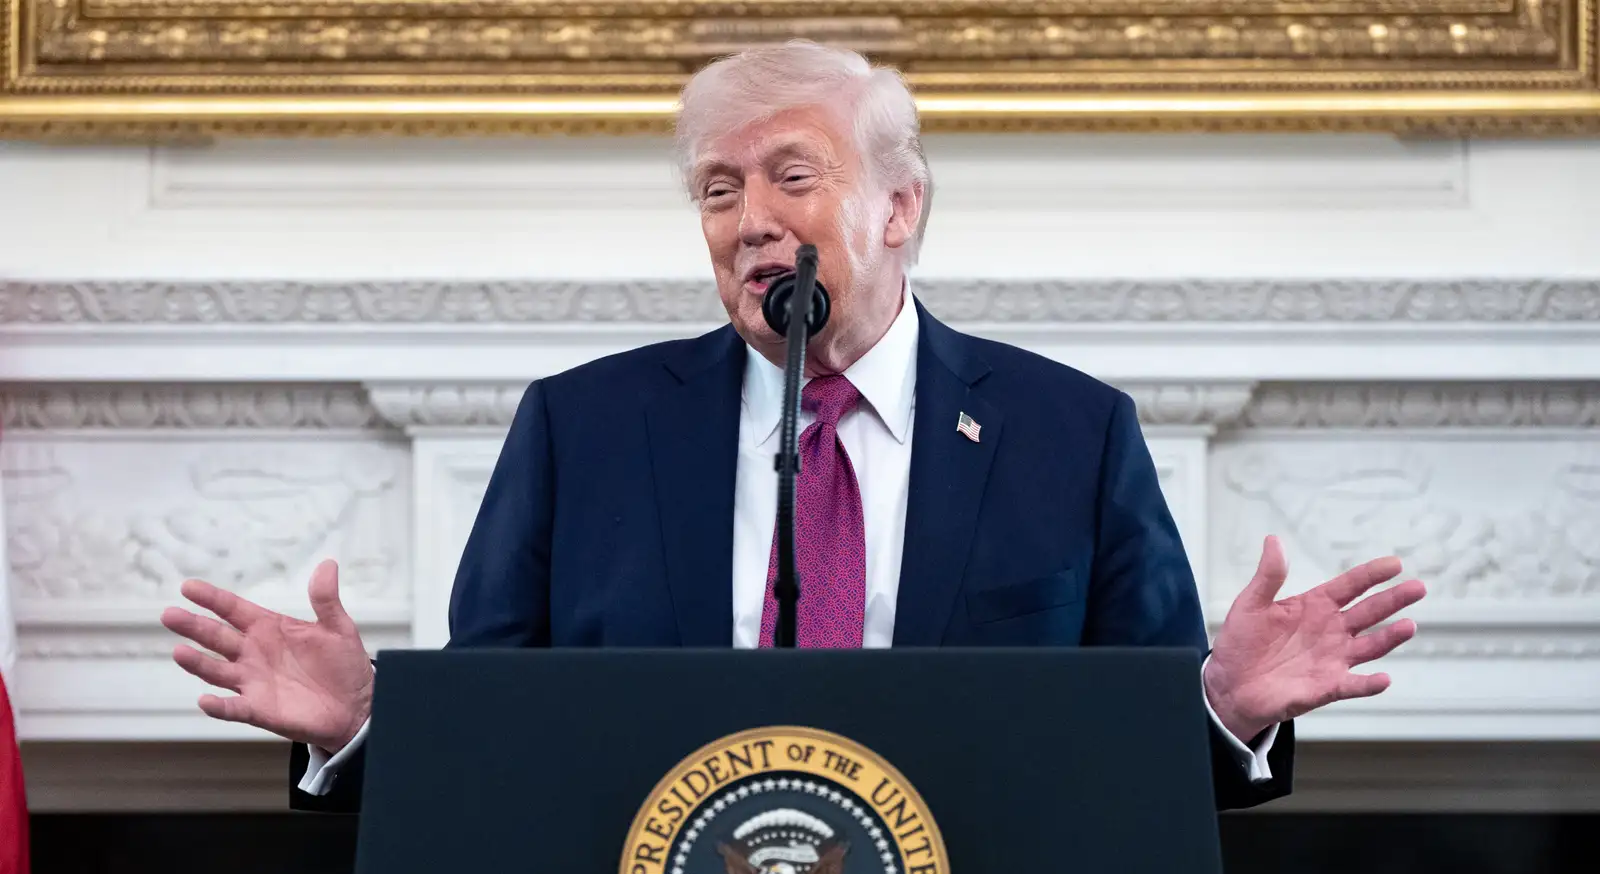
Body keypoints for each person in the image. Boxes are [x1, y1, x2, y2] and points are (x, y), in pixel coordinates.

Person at [159, 41, 1425, 814]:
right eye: (717, 190)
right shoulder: (579, 432)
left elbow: (1137, 781)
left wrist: (1224, 711)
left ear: (897, 205)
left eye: (790, 175)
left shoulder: (1068, 435)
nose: (748, 218)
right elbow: (503, 753)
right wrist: (371, 723)